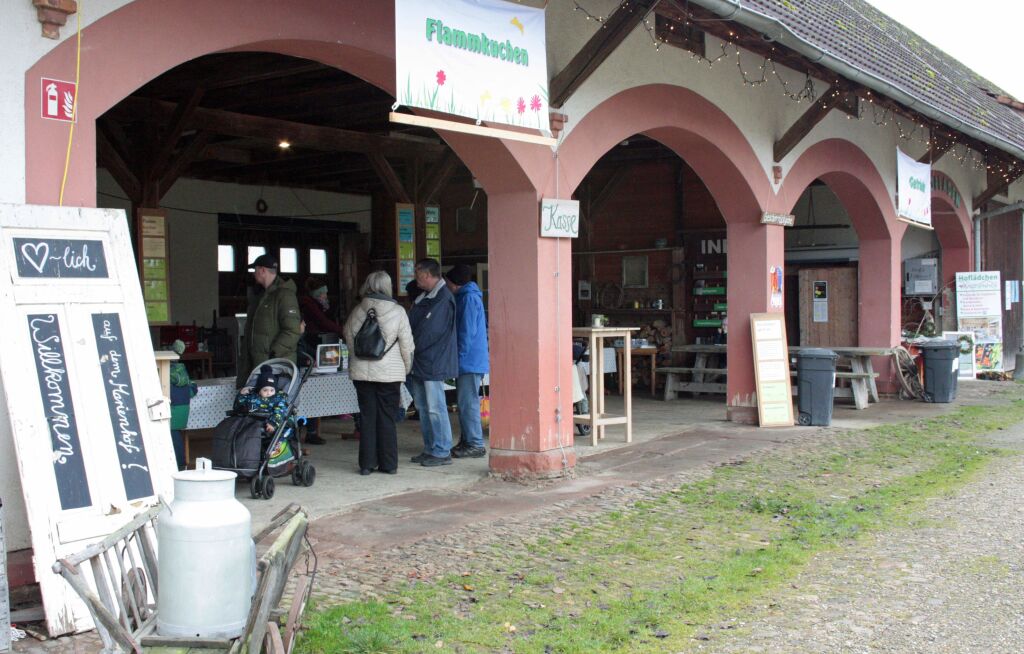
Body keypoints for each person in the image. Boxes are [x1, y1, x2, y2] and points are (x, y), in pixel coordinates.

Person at [343, 270, 414, 475]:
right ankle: (389, 464)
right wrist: (406, 368)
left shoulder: (358, 310)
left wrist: (356, 359)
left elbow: (348, 337)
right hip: (389, 374)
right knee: (386, 418)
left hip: (362, 374)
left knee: (367, 417)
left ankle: (366, 464)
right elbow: (407, 346)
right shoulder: (398, 311)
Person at [406, 258, 458, 467]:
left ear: (428, 275)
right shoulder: (426, 297)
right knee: (423, 407)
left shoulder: (443, 299)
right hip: (421, 362)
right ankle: (430, 448)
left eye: (418, 276)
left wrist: (409, 345)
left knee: (436, 407)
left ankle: (442, 450)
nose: (416, 281)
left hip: (433, 361)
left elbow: (430, 332)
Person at [235, 253, 301, 389]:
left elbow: (292, 330)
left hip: (275, 369)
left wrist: (273, 355)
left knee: (273, 407)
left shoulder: (284, 295)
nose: (254, 274)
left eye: (255, 270)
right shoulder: (260, 297)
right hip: (259, 367)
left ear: (262, 270)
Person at [445, 264, 489, 458]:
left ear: (455, 284)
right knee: (465, 402)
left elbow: (466, 333)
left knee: (468, 402)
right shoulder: (467, 297)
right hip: (470, 359)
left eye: (447, 282)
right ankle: (467, 441)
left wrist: (457, 357)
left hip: (469, 361)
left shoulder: (469, 299)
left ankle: (475, 443)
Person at [298, 277, 345, 445]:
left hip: (314, 344)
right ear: (318, 293)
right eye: (324, 292)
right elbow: (324, 323)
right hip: (313, 345)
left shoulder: (313, 304)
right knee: (311, 391)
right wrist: (343, 331)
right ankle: (310, 431)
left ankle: (309, 430)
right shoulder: (311, 306)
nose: (326, 295)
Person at [234, 365, 289, 434]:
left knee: (285, 428)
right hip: (252, 422)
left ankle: (279, 443)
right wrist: (242, 395)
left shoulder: (278, 399)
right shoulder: (253, 396)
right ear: (259, 390)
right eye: (265, 390)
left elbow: (280, 410)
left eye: (272, 390)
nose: (269, 393)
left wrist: (273, 423)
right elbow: (239, 406)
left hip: (271, 422)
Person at [168, 339, 197, 470]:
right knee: (177, 435)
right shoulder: (182, 370)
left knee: (173, 437)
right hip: (184, 409)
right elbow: (192, 390)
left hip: (172, 407)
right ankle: (181, 464)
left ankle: (179, 464)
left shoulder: (165, 372)